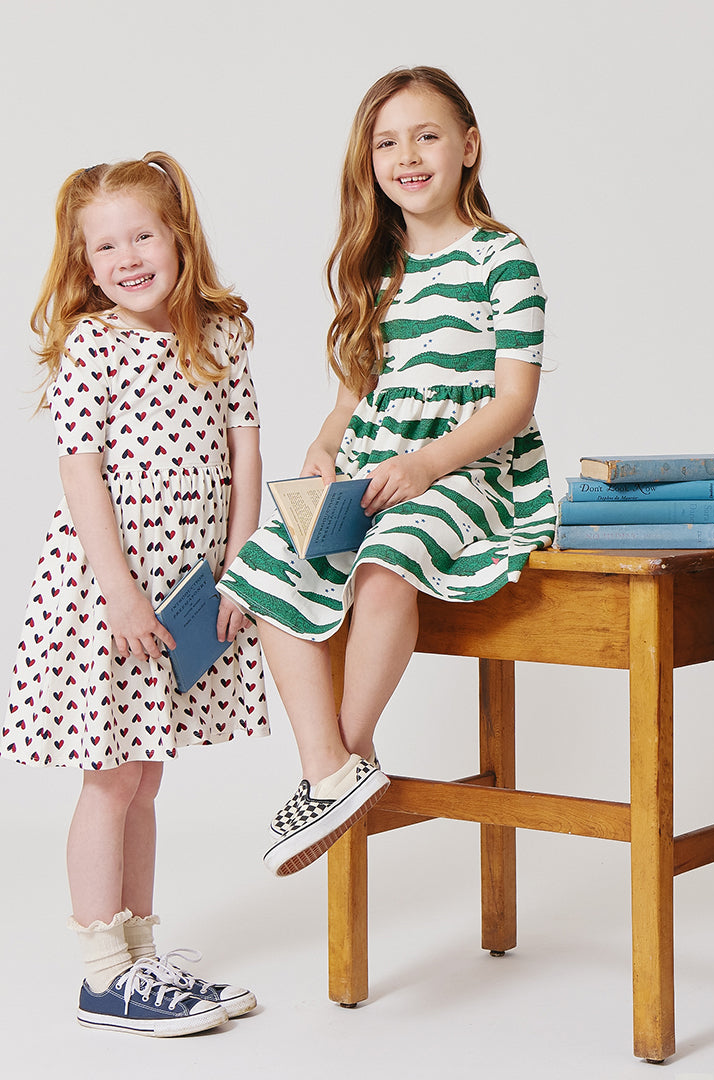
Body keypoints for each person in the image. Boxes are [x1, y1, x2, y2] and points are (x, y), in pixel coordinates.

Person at [218, 66, 555, 878]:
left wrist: (428, 463)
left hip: (469, 471)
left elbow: (514, 401)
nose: (407, 156)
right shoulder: (377, 272)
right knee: (266, 561)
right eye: (387, 142)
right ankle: (328, 769)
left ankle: (352, 751)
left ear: (468, 147)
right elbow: (353, 393)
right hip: (374, 468)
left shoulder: (502, 258)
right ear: (368, 161)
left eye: (426, 136)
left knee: (388, 558)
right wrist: (326, 444)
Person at [3, 153, 268, 1036]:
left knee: (146, 777)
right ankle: (102, 975)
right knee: (112, 777)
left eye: (142, 236)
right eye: (104, 246)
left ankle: (141, 954)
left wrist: (240, 564)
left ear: (178, 237)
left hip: (186, 586)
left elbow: (245, 457)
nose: (126, 258)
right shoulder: (94, 345)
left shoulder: (223, 335)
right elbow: (80, 474)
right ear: (84, 264)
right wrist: (119, 594)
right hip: (108, 594)